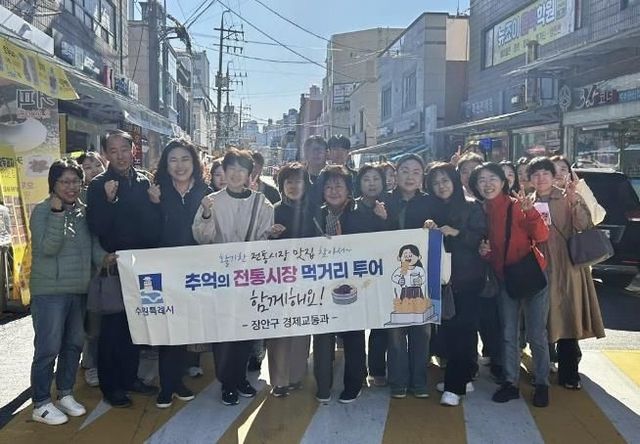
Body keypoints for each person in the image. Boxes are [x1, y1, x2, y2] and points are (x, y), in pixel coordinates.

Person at [192, 148, 274, 406]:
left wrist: (266, 240)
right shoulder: (211, 201)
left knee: (245, 331)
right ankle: (227, 382)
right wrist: (207, 214)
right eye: (232, 169)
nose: (237, 174)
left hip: (249, 277)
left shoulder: (262, 203)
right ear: (223, 172)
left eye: (242, 170)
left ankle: (239, 378)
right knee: (224, 333)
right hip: (221, 278)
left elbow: (263, 239)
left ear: (250, 174)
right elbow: (202, 237)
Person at [87, 130, 161, 408]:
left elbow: (152, 229)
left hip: (140, 266)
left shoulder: (144, 182)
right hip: (115, 265)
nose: (120, 155)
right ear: (106, 154)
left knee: (136, 327)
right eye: (113, 150)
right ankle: (111, 386)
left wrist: (156, 204)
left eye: (124, 149)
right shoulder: (98, 185)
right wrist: (108, 201)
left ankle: (130, 378)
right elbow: (97, 227)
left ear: (133, 150)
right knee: (112, 329)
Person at [469, 162, 551, 408]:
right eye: (481, 180)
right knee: (508, 334)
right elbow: (492, 251)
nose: (487, 184)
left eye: (492, 178)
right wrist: (484, 253)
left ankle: (542, 383)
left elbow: (542, 236)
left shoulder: (518, 205)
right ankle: (510, 383)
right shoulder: (481, 211)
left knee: (536, 334)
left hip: (531, 275)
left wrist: (530, 212)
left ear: (504, 182)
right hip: (505, 278)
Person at [29, 158, 104, 425]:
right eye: (65, 182)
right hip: (50, 292)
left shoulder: (84, 212)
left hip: (79, 290)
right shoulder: (42, 211)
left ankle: (65, 393)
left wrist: (109, 259)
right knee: (48, 348)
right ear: (54, 184)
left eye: (76, 181)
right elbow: (48, 248)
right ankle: (40, 403)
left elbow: (94, 247)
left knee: (73, 345)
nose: (71, 187)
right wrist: (57, 213)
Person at [528, 157, 605, 391]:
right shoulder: (527, 202)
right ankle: (542, 368)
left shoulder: (566, 196)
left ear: (553, 177)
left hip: (567, 267)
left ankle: (569, 372)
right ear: (530, 179)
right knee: (541, 321)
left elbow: (584, 225)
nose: (541, 178)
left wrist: (575, 202)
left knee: (567, 318)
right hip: (539, 266)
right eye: (535, 174)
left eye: (545, 173)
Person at [148, 139, 212, 408]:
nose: (180, 165)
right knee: (167, 328)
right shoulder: (156, 191)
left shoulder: (206, 192)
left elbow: (212, 234)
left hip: (195, 272)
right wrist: (153, 205)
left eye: (185, 159)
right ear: (166, 164)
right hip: (164, 270)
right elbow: (149, 233)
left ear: (194, 163)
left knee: (184, 328)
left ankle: (177, 381)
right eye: (173, 160)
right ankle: (167, 385)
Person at [424, 163, 487, 407]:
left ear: (454, 181)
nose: (441, 186)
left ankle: (454, 387)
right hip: (443, 280)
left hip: (467, 279)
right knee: (450, 332)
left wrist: (457, 233)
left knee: (463, 330)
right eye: (435, 182)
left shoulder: (472, 206)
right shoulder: (432, 209)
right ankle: (464, 377)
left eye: (445, 180)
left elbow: (481, 239)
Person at [305, 165, 369, 403]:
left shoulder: (361, 213)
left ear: (348, 189)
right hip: (322, 285)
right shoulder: (314, 214)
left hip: (354, 285)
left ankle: (354, 384)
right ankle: (323, 386)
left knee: (354, 336)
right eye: (328, 187)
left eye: (338, 186)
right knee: (322, 335)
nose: (333, 191)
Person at [384, 154, 435, 399]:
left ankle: (419, 380)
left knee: (422, 331)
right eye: (405, 170)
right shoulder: (384, 201)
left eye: (416, 171)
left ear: (422, 176)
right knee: (395, 332)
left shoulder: (430, 202)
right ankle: (398, 381)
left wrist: (434, 227)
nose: (410, 176)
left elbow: (442, 235)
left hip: (422, 279)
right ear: (395, 174)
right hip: (391, 277)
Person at [266, 162, 311, 397]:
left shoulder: (314, 211)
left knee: (302, 330)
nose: (294, 186)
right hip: (278, 282)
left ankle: (296, 376)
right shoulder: (272, 211)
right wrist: (270, 236)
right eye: (289, 181)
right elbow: (261, 247)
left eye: (298, 181)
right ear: (281, 185)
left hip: (307, 281)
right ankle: (279, 380)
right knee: (279, 331)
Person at [352, 164, 389, 387]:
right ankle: (357, 370)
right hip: (357, 274)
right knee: (357, 323)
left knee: (380, 323)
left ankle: (377, 369)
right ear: (359, 184)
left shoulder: (390, 205)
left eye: (376, 179)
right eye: (366, 179)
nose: (372, 183)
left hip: (383, 273)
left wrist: (384, 219)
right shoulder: (351, 207)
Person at [75, 151, 106, 388]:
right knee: (91, 317)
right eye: (87, 167)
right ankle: (91, 361)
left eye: (97, 165)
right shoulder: (78, 197)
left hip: (108, 261)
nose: (94, 170)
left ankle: (95, 358)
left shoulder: (111, 188)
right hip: (86, 266)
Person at [550, 155, 605, 225]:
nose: (558, 173)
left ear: (570, 174)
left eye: (563, 169)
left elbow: (596, 217)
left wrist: (579, 185)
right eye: (553, 170)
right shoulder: (539, 196)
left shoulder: (575, 196)